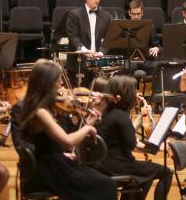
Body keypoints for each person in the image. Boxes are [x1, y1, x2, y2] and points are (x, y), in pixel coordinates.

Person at [18, 61, 117, 200]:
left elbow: (63, 143)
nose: (62, 85)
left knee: (104, 183)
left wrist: (88, 122)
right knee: (107, 185)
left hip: (55, 163)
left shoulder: (42, 108)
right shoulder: (41, 112)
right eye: (59, 80)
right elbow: (68, 142)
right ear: (48, 83)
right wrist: (88, 128)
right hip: (48, 171)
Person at [96, 75, 172, 200]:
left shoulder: (104, 112)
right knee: (166, 172)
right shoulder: (120, 116)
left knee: (145, 175)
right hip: (118, 165)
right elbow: (134, 145)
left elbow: (125, 138)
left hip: (104, 164)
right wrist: (159, 147)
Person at [66, 0, 114, 85]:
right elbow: (73, 36)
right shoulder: (74, 15)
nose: (96, 0)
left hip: (98, 63)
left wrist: (101, 52)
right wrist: (84, 50)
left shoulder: (106, 17)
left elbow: (109, 38)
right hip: (79, 63)